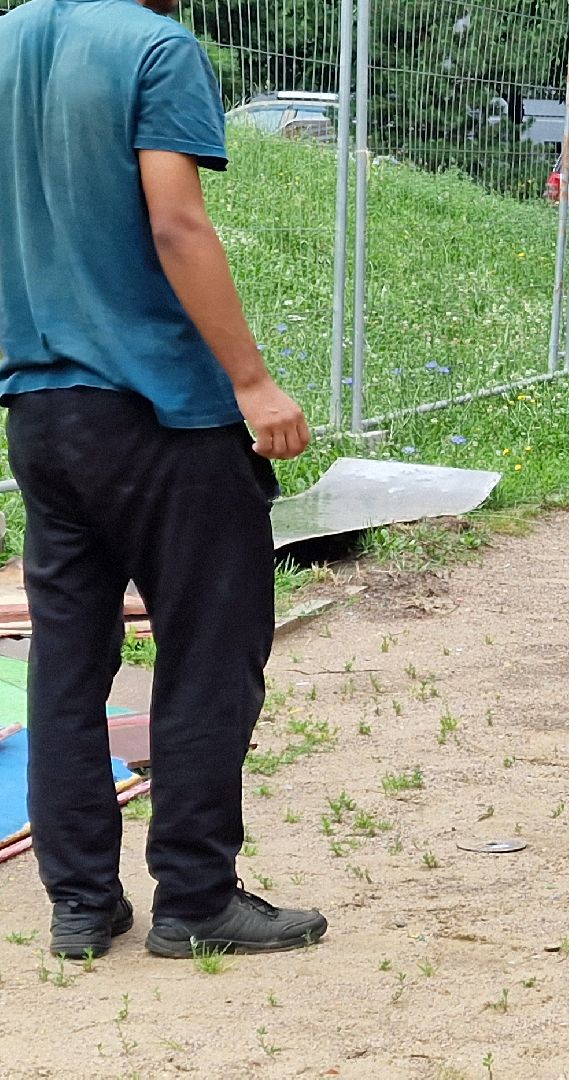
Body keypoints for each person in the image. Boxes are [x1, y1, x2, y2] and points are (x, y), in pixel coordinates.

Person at [1, 0, 327, 959]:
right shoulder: (155, 47)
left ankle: (82, 905)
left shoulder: (8, 39)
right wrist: (253, 383)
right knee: (210, 650)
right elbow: (177, 224)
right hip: (163, 412)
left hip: (42, 413)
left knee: (65, 662)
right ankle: (194, 898)